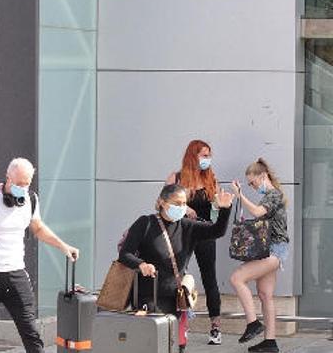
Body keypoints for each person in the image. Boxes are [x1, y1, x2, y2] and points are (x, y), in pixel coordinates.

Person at [0, 158, 79, 353]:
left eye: (27, 184)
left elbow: (38, 228)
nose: (23, 188)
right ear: (8, 178)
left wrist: (63, 246)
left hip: (16, 273)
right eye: (19, 184)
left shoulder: (31, 200)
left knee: (31, 331)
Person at [119, 184, 234, 353]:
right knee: (150, 345)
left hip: (176, 300)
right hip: (148, 297)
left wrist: (225, 210)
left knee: (176, 346)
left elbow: (217, 231)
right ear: (162, 203)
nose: (181, 207)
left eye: (184, 203)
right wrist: (141, 264)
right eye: (177, 203)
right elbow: (125, 254)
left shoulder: (188, 226)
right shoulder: (145, 223)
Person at [166, 139, 224, 345]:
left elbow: (217, 208)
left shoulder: (211, 179)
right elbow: (165, 205)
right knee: (178, 276)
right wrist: (184, 209)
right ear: (193, 156)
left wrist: (220, 202)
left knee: (210, 277)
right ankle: (181, 324)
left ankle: (215, 326)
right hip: (182, 234)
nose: (207, 159)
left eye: (209, 155)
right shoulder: (177, 178)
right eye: (204, 155)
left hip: (205, 233)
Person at [229, 159, 290, 353]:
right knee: (265, 295)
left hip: (274, 250)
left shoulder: (273, 195)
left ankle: (253, 323)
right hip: (270, 250)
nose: (252, 187)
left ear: (262, 176)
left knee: (237, 278)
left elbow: (256, 212)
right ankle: (270, 342)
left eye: (252, 183)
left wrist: (240, 195)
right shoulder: (271, 196)